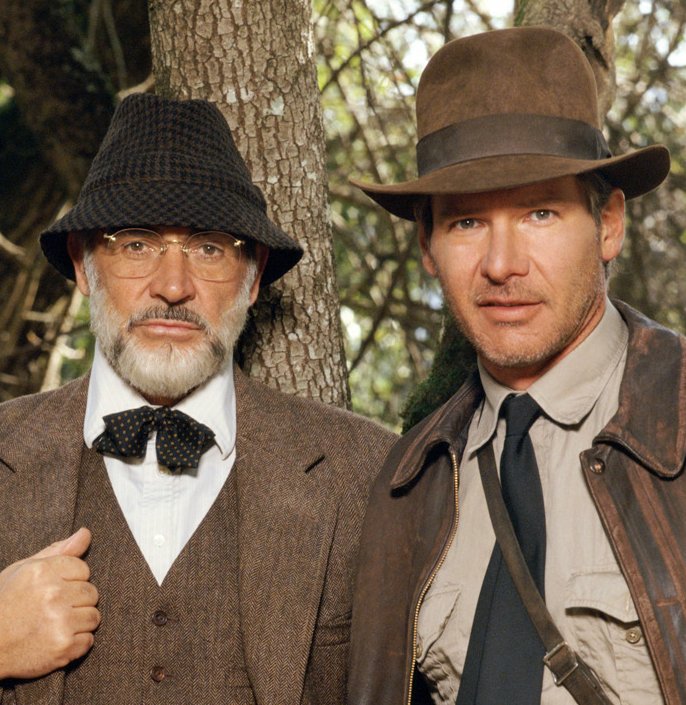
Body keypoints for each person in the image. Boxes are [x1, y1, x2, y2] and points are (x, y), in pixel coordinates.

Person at [0, 93, 395, 705]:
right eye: (136, 244)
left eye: (209, 248)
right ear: (82, 265)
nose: (173, 286)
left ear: (253, 276)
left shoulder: (368, 472)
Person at [347, 26, 686, 705]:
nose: (502, 265)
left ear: (609, 224)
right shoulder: (408, 484)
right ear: (427, 245)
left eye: (539, 212)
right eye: (467, 223)